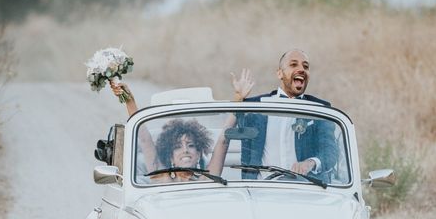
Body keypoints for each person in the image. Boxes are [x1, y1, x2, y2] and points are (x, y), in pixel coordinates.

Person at [109, 71, 254, 182]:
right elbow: (145, 140)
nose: (185, 150)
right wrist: (129, 101)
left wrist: (238, 99)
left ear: (198, 154)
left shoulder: (206, 180)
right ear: (170, 155)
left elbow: (224, 139)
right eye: (178, 146)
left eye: (191, 145)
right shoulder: (161, 178)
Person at [238, 49, 338, 181]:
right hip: (263, 190)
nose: (301, 69)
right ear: (280, 73)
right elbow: (233, 127)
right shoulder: (257, 106)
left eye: (306, 66)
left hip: (307, 190)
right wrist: (239, 98)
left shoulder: (319, 109)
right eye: (293, 64)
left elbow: (329, 153)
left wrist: (310, 163)